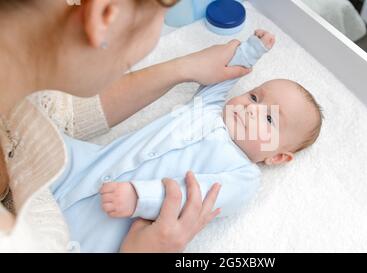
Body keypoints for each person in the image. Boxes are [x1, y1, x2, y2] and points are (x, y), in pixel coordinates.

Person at [0, 0, 254, 252]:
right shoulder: (17, 242)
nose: (253, 110)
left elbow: (60, 113)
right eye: (166, 14)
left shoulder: (21, 98)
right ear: (105, 14)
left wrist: (184, 68)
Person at [50, 30, 323, 252]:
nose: (252, 109)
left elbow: (195, 197)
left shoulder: (244, 177)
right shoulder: (208, 108)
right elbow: (223, 77)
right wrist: (251, 51)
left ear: (277, 157)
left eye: (269, 119)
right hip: (88, 165)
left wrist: (140, 197)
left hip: (115, 213)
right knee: (50, 145)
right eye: (254, 97)